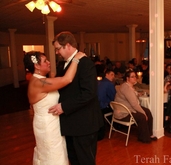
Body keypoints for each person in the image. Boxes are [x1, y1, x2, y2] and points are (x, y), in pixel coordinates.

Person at [48, 31, 104, 165]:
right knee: (74, 159)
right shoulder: (64, 64)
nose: (56, 52)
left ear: (67, 45)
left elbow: (88, 93)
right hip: (72, 123)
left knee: (85, 160)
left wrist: (64, 106)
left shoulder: (85, 63)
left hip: (85, 124)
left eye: (58, 49)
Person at [23, 51, 85, 165]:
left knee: (54, 153)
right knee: (52, 154)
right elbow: (67, 79)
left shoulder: (39, 79)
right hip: (48, 125)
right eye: (45, 61)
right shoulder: (39, 82)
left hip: (51, 122)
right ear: (36, 66)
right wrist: (76, 59)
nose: (49, 62)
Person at [114, 69, 157, 143]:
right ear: (127, 78)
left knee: (148, 111)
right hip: (123, 113)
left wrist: (137, 94)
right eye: (132, 77)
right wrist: (143, 113)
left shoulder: (129, 86)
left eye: (135, 76)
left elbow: (133, 94)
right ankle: (144, 138)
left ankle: (150, 134)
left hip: (128, 108)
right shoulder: (126, 88)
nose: (135, 78)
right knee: (142, 116)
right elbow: (134, 104)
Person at [97, 69, 116, 139]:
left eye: (114, 75)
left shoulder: (99, 82)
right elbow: (113, 97)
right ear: (106, 74)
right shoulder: (109, 84)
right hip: (104, 106)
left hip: (97, 106)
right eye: (111, 74)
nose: (113, 76)